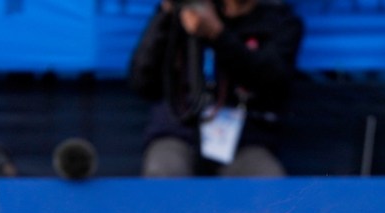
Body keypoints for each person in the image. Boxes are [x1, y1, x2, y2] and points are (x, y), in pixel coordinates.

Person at [127, 0, 303, 177]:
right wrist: (167, 14)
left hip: (245, 140)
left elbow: (273, 80)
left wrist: (217, 34)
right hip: (179, 132)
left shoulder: (281, 22)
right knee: (164, 173)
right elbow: (142, 83)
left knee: (267, 181)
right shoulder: (184, 13)